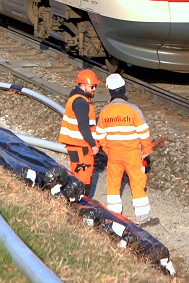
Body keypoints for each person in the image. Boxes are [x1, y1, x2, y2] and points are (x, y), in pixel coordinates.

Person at [95, 73, 155, 225]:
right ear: (123, 89)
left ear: (110, 92)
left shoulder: (105, 112)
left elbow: (100, 136)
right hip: (132, 155)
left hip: (114, 155)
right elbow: (143, 132)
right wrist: (147, 150)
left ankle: (114, 216)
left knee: (113, 183)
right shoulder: (133, 110)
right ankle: (142, 217)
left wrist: (109, 150)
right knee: (137, 181)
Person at [58, 69, 100, 195]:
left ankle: (76, 202)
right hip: (82, 146)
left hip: (76, 145)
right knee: (83, 178)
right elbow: (83, 127)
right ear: (83, 85)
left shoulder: (76, 99)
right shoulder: (81, 102)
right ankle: (82, 205)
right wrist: (93, 144)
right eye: (92, 87)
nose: (94, 89)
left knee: (77, 174)